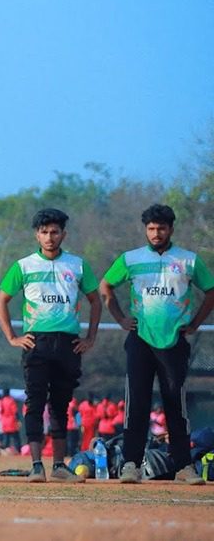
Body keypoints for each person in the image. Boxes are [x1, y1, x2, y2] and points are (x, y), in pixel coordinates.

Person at [99, 204, 214, 485]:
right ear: (145, 230)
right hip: (140, 340)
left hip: (174, 341)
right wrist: (120, 317)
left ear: (171, 229)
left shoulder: (188, 260)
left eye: (161, 228)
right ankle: (130, 464)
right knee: (136, 403)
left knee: (176, 404)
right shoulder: (131, 259)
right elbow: (105, 286)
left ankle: (184, 467)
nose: (156, 233)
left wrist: (196, 323)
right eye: (151, 228)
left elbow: (210, 290)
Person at [0, 208, 101, 483]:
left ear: (63, 234)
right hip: (36, 342)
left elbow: (95, 300)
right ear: (36, 235)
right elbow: (1, 301)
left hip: (68, 343)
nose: (49, 237)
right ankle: (37, 465)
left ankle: (58, 467)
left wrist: (90, 337)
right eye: (44, 232)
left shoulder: (77, 265)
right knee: (34, 402)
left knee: (61, 406)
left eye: (55, 232)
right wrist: (11, 337)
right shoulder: (24, 266)